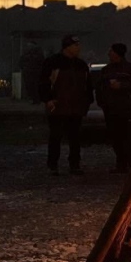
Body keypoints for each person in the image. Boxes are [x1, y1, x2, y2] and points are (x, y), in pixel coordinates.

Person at [38, 34, 93, 176]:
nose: (78, 48)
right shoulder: (52, 63)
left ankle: (74, 165)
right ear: (67, 47)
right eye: (76, 45)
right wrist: (48, 99)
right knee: (56, 136)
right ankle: (53, 165)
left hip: (76, 107)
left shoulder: (81, 65)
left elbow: (88, 85)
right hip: (58, 105)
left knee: (75, 138)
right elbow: (43, 82)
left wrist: (87, 102)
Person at [96, 43, 131, 174]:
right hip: (110, 109)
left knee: (127, 137)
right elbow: (100, 88)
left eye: (111, 51)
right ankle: (120, 164)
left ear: (117, 53)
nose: (109, 53)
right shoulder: (106, 70)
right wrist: (102, 103)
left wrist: (121, 86)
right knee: (115, 138)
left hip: (125, 109)